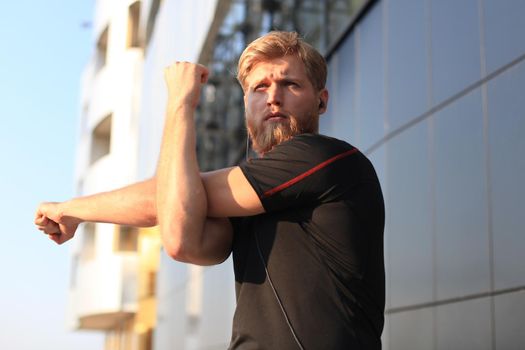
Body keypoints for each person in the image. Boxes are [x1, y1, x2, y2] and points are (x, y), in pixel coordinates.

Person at [35, 31, 385, 349]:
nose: (273, 97)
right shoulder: (249, 198)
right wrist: (70, 210)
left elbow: (173, 199)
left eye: (290, 84)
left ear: (321, 101)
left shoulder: (328, 158)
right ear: (246, 104)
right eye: (259, 88)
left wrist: (181, 103)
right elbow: (179, 234)